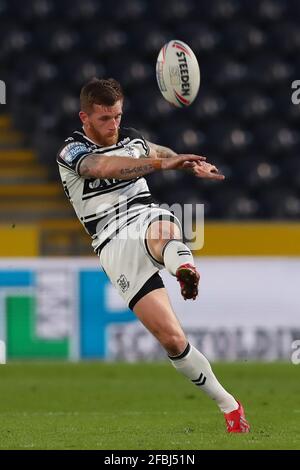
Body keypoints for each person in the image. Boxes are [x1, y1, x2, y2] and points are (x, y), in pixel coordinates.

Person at [57, 77, 250, 433]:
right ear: (84, 117)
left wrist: (186, 163)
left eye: (117, 116)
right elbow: (101, 168)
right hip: (110, 241)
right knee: (172, 340)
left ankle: (184, 268)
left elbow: (158, 151)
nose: (114, 125)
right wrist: (163, 165)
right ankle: (230, 406)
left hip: (143, 214)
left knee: (162, 231)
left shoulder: (131, 138)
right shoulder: (71, 151)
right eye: (104, 119)